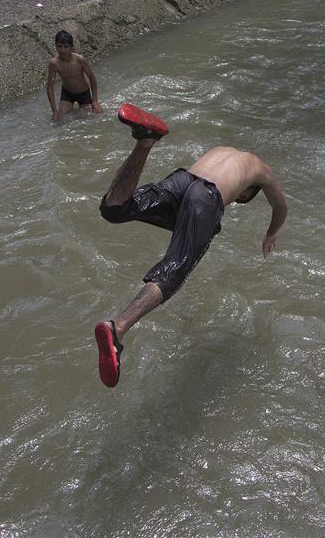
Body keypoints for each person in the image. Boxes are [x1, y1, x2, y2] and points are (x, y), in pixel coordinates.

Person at [94, 104, 288, 387]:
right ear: (248, 192)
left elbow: (186, 206)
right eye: (241, 199)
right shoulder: (260, 170)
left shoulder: (223, 149)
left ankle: (145, 142)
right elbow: (281, 206)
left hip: (183, 179)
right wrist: (271, 233)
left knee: (116, 209)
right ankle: (118, 328)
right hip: (206, 197)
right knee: (175, 269)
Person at [46, 30, 103, 122]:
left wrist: (95, 101)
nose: (62, 50)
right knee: (58, 120)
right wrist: (54, 111)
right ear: (56, 46)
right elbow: (50, 87)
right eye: (59, 46)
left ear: (71, 47)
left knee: (91, 118)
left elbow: (92, 78)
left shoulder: (80, 60)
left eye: (66, 47)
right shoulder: (54, 63)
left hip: (83, 93)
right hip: (67, 94)